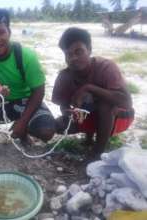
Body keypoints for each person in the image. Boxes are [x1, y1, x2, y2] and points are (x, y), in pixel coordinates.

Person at [0, 7, 56, 148]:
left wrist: (23, 121)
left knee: (46, 132)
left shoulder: (27, 55)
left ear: (9, 32)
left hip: (25, 101)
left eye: (1, 32)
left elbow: (39, 91)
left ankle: (23, 132)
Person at [52, 27, 134, 159]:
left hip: (119, 118)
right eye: (69, 54)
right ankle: (88, 137)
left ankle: (98, 152)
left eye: (79, 52)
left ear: (89, 50)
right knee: (52, 126)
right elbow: (62, 104)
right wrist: (67, 112)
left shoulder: (106, 67)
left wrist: (89, 88)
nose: (73, 58)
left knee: (105, 104)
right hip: (86, 119)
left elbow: (127, 102)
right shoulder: (64, 76)